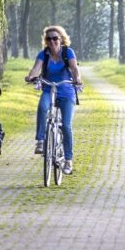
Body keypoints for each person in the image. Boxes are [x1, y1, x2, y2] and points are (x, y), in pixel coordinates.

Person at [24, 24, 82, 175]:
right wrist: (31, 76)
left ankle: (68, 160)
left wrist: (77, 79)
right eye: (49, 39)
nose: (52, 41)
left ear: (61, 39)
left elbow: (74, 69)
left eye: (55, 38)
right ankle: (40, 141)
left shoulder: (67, 52)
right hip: (49, 88)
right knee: (43, 108)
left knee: (66, 126)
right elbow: (36, 68)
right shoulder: (44, 54)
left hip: (66, 91)